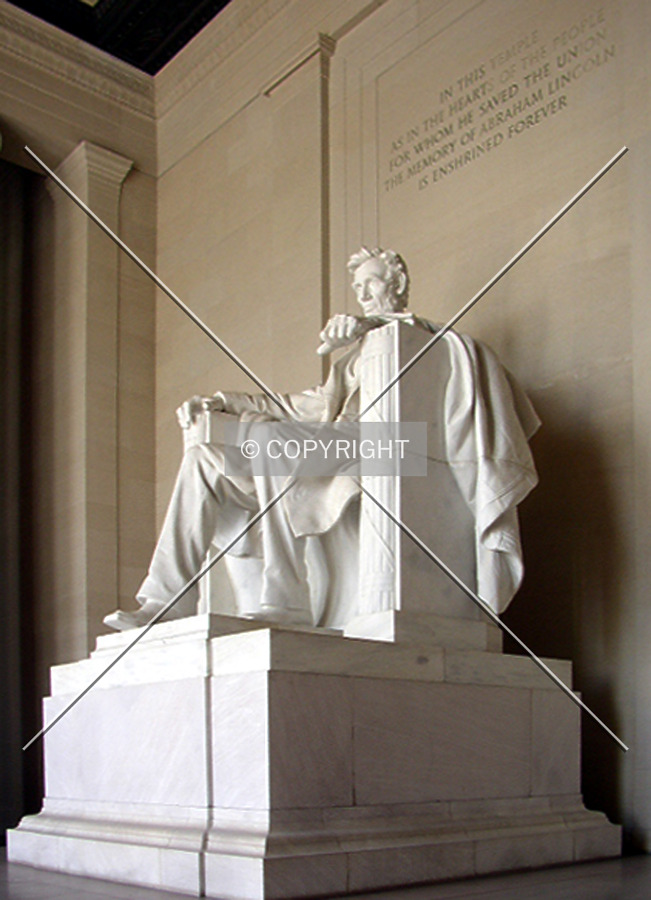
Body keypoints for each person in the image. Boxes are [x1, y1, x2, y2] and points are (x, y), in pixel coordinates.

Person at [103, 248, 539, 631]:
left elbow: (436, 358)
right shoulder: (354, 354)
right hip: (336, 442)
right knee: (205, 454)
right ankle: (166, 600)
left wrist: (374, 325)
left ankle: (285, 599)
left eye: (370, 282)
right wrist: (222, 401)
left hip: (393, 444)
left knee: (271, 442)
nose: (363, 293)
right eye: (357, 287)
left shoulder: (433, 342)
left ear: (398, 283)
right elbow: (301, 405)